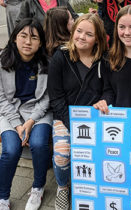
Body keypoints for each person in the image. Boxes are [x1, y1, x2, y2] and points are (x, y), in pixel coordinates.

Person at [47, 13, 108, 210]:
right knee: (62, 153)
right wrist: (71, 124)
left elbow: (109, 89)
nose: (81, 37)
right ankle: (63, 187)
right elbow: (56, 98)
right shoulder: (61, 57)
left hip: (95, 118)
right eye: (79, 31)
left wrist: (105, 100)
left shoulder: (103, 59)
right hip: (65, 116)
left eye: (88, 34)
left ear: (97, 38)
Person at [0, 18, 52, 210]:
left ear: (40, 42)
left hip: (38, 112)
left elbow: (47, 98)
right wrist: (17, 124)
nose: (28, 42)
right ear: (14, 38)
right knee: (10, 150)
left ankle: (38, 187)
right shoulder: (2, 61)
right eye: (23, 36)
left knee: (39, 144)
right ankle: (3, 197)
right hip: (10, 113)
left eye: (34, 37)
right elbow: (1, 99)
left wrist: (30, 122)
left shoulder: (47, 64)